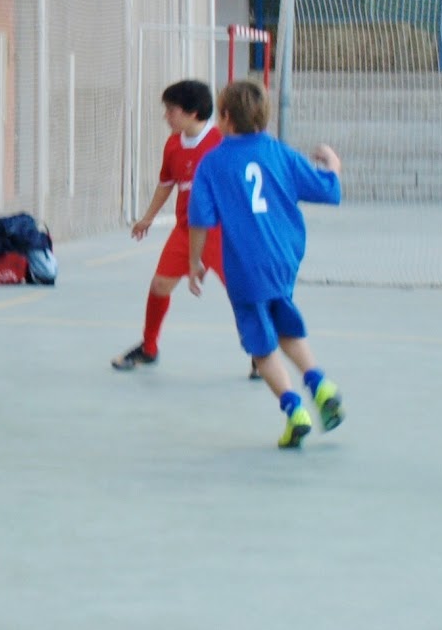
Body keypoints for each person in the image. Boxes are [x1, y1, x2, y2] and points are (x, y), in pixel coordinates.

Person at [187, 80, 345, 449]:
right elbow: (329, 191)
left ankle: (295, 412)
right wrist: (333, 165)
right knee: (284, 326)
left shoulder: (213, 163)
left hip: (246, 265)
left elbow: (200, 220)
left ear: (226, 117)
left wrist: (195, 262)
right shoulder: (280, 153)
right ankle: (320, 384)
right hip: (283, 259)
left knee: (261, 346)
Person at [111, 79, 256, 378]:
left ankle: (260, 353)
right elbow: (166, 183)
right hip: (186, 231)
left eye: (171, 110)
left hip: (222, 233)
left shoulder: (221, 141)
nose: (166, 115)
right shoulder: (173, 144)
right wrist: (148, 217)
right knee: (159, 285)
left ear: (192, 113)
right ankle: (149, 348)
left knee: (242, 293)